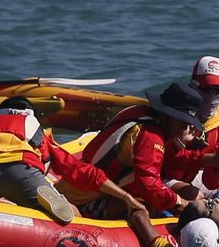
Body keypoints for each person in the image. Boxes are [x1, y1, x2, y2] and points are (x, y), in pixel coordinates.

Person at [0, 97, 148, 225]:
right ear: (32, 117)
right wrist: (125, 196)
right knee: (73, 213)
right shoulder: (37, 132)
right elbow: (77, 171)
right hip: (21, 172)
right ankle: (54, 204)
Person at [78, 83, 209, 218]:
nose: (185, 130)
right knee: (147, 208)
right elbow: (149, 185)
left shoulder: (139, 114)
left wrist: (204, 159)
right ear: (169, 116)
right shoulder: (151, 136)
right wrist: (183, 205)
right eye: (183, 124)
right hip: (86, 197)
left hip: (91, 182)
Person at [162, 57, 219, 197]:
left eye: (217, 90)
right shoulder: (176, 110)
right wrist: (209, 159)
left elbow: (211, 182)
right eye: (206, 88)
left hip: (192, 176)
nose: (211, 95)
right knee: (194, 194)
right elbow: (168, 158)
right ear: (193, 84)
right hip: (162, 174)